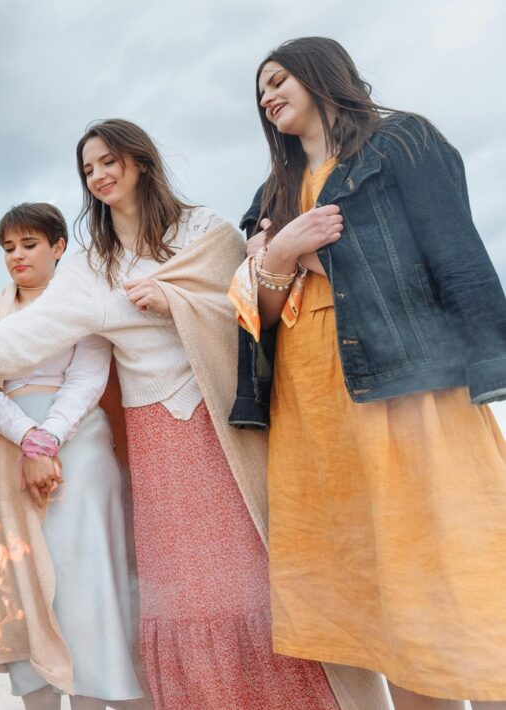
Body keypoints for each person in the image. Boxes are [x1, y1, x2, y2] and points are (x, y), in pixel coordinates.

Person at [0, 119, 386, 708]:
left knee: (248, 580)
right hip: (152, 439)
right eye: (88, 169)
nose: (99, 175)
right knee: (180, 595)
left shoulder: (206, 232)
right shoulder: (93, 263)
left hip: (220, 428)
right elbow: (34, 330)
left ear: (140, 161)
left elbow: (253, 309)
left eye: (109, 161)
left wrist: (177, 301)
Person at [230, 36, 506, 708]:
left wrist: (491, 362)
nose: (266, 96)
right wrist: (284, 253)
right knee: (382, 587)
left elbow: (454, 249)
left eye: (277, 79)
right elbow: (255, 303)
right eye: (259, 90)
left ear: (324, 72)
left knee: (456, 562)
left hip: (408, 377)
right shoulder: (274, 189)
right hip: (312, 397)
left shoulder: (403, 140)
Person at [0, 203, 144, 709]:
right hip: (7, 452)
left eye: (29, 244)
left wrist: (50, 439)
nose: (17, 256)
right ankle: (38, 699)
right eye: (8, 248)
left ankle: (94, 694)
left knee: (85, 575)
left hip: (82, 445)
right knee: (25, 582)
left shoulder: (86, 303)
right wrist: (28, 438)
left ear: (59, 247)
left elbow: (87, 378)